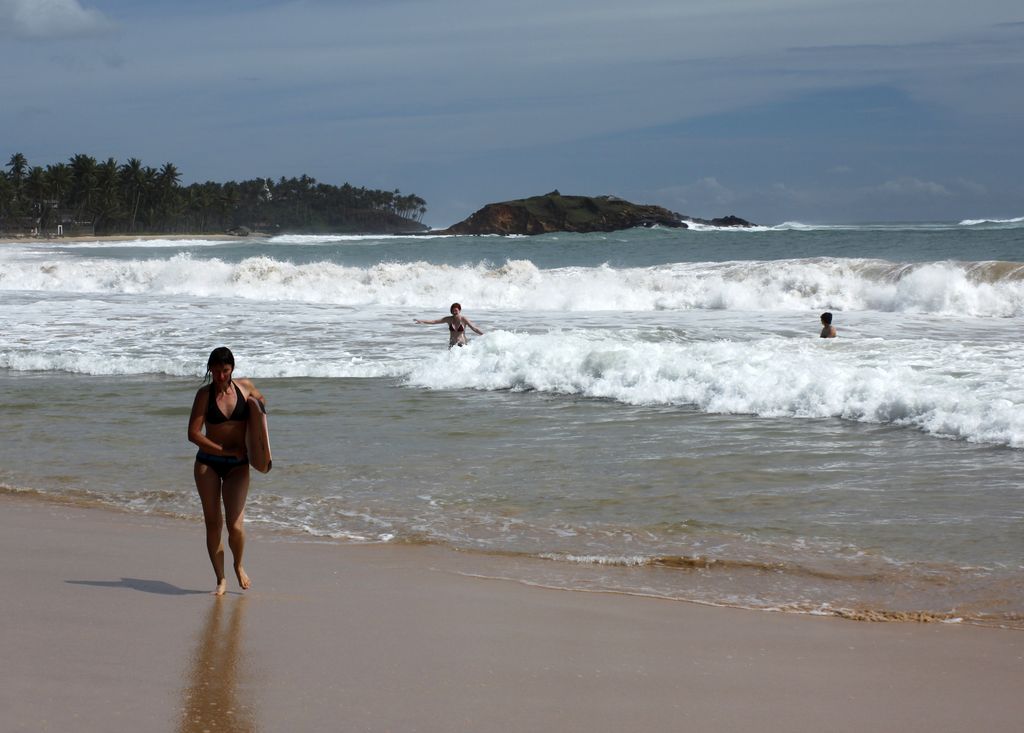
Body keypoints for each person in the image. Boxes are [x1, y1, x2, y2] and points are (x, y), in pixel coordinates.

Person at [188, 347, 265, 595]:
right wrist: (223, 452)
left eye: (225, 370)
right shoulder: (204, 395)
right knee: (214, 525)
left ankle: (238, 564)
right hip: (208, 463)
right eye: (217, 371)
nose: (221, 376)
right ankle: (221, 579)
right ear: (209, 369)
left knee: (236, 527)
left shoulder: (244, 388)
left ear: (232, 369)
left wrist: (259, 413)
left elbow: (260, 405)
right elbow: (193, 434)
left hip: (238, 466)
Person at [414, 302, 484, 348]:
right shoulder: (449, 319)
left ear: (459, 310)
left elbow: (474, 328)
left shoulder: (463, 319)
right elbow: (434, 321)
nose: (454, 312)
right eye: (453, 311)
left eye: (456, 310)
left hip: (462, 345)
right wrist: (422, 321)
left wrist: (485, 335)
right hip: (452, 346)